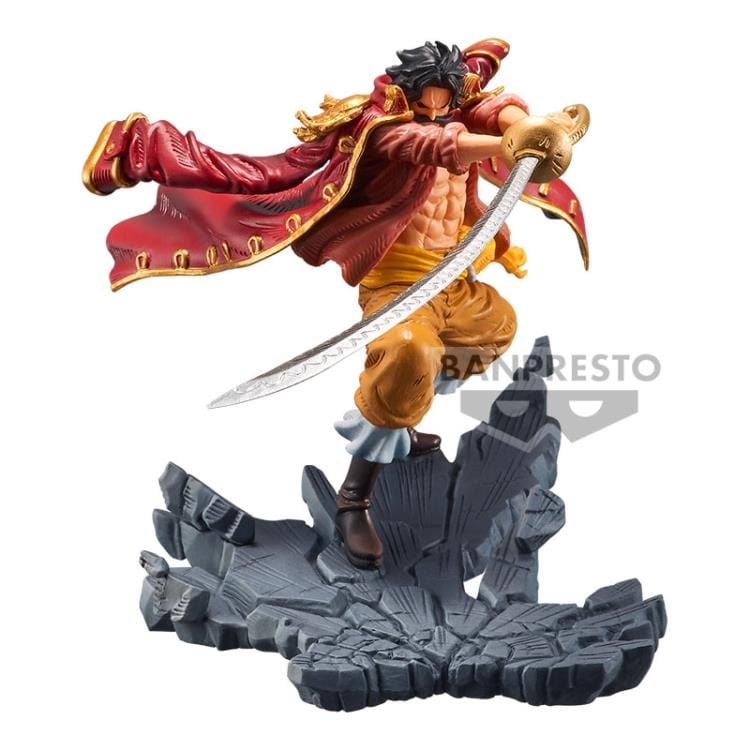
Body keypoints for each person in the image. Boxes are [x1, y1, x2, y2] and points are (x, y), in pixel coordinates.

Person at [83, 39, 588, 569]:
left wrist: (524, 127)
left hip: (454, 274)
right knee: (409, 354)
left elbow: (488, 105)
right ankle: (355, 498)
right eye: (431, 97)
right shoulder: (385, 130)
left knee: (496, 326)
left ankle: (403, 409)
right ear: (413, 92)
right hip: (402, 282)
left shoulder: (462, 109)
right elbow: (434, 146)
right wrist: (510, 145)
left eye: (448, 96)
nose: (440, 107)